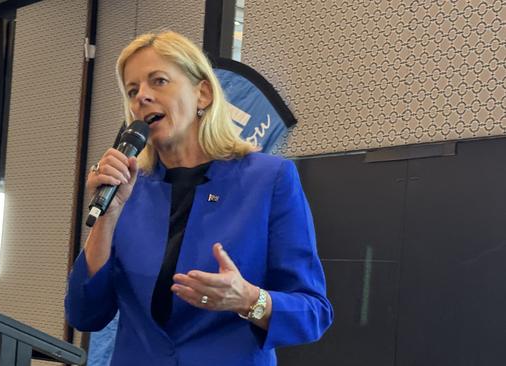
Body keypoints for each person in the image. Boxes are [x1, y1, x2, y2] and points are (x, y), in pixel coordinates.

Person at [65, 31, 333, 366]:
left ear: (202, 94)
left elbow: (314, 312)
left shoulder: (269, 179)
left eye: (158, 81)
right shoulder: (129, 189)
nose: (142, 97)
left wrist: (248, 299)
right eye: (132, 91)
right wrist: (108, 216)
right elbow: (84, 313)